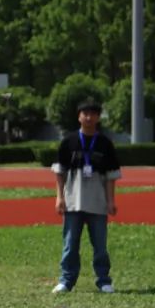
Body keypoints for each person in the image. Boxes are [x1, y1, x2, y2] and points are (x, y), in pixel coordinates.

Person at [52, 99, 121, 294]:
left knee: (100, 246)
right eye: (85, 113)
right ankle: (66, 281)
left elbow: (111, 176)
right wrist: (59, 197)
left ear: (98, 117)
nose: (89, 117)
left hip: (98, 203)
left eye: (93, 114)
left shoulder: (105, 144)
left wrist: (111, 200)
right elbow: (60, 172)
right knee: (70, 244)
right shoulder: (68, 141)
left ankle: (104, 280)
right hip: (73, 201)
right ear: (79, 116)